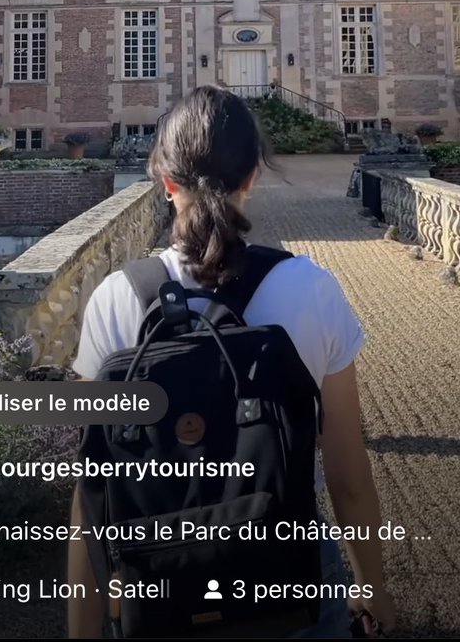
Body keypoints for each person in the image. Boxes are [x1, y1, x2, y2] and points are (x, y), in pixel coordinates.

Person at [68, 85, 396, 639]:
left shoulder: (116, 299)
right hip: (291, 593)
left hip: (159, 599)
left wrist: (83, 631)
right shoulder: (310, 288)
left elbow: (89, 498)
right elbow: (347, 473)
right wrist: (372, 586)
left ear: (166, 181)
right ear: (252, 177)